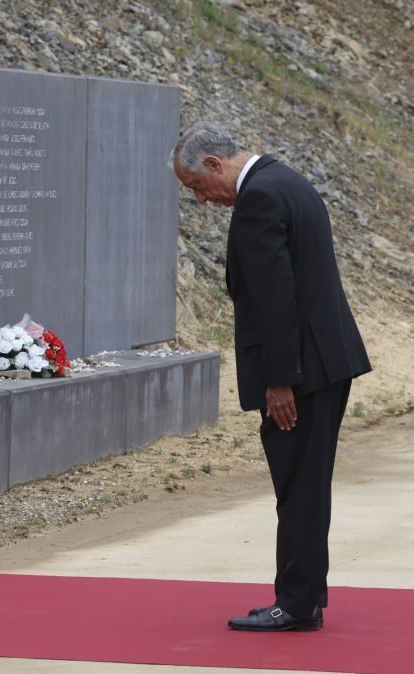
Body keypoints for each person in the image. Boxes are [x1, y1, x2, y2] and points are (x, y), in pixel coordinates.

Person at [170, 122, 371, 632]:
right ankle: (304, 596)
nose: (201, 200)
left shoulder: (258, 199)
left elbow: (275, 299)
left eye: (196, 187)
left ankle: (298, 603)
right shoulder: (288, 181)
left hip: (301, 372)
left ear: (215, 164)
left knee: (298, 486)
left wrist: (280, 381)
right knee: (307, 483)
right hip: (328, 360)